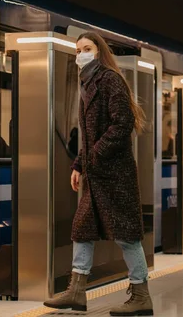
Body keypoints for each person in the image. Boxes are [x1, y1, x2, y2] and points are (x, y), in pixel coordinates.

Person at [43, 32, 153, 316]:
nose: (82, 53)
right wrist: (79, 164)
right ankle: (77, 292)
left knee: (127, 235)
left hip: (116, 174)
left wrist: (93, 157)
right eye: (78, 49)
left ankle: (141, 295)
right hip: (97, 174)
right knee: (82, 228)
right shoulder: (87, 82)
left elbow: (122, 123)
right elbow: (88, 136)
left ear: (99, 51)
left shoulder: (109, 79)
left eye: (87, 48)